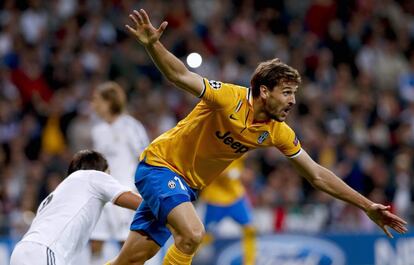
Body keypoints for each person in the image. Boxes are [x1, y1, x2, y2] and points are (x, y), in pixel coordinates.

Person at [108, 9, 408, 265]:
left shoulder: (277, 131)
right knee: (192, 234)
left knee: (132, 259)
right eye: (287, 92)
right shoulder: (228, 98)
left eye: (295, 94)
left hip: (187, 187)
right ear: (264, 91)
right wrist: (153, 47)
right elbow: (180, 76)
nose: (292, 101)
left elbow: (316, 175)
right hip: (160, 167)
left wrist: (367, 205)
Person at [10, 150, 142, 265]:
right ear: (101, 170)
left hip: (22, 251)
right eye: (108, 173)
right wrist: (161, 208)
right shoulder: (93, 176)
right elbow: (136, 201)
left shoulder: (56, 195)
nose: (110, 178)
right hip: (43, 252)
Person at [89, 81, 149, 264]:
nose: (93, 105)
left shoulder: (131, 126)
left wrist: (142, 190)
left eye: (97, 100)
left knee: (127, 243)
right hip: (103, 194)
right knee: (96, 241)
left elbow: (145, 157)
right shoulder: (97, 130)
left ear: (109, 102)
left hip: (125, 193)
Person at [199, 157, 256, 265]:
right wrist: (236, 174)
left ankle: (250, 262)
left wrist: (247, 172)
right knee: (206, 236)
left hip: (235, 197)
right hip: (216, 200)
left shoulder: (239, 146)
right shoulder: (214, 148)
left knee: (250, 229)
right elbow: (213, 170)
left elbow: (246, 164)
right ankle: (188, 257)